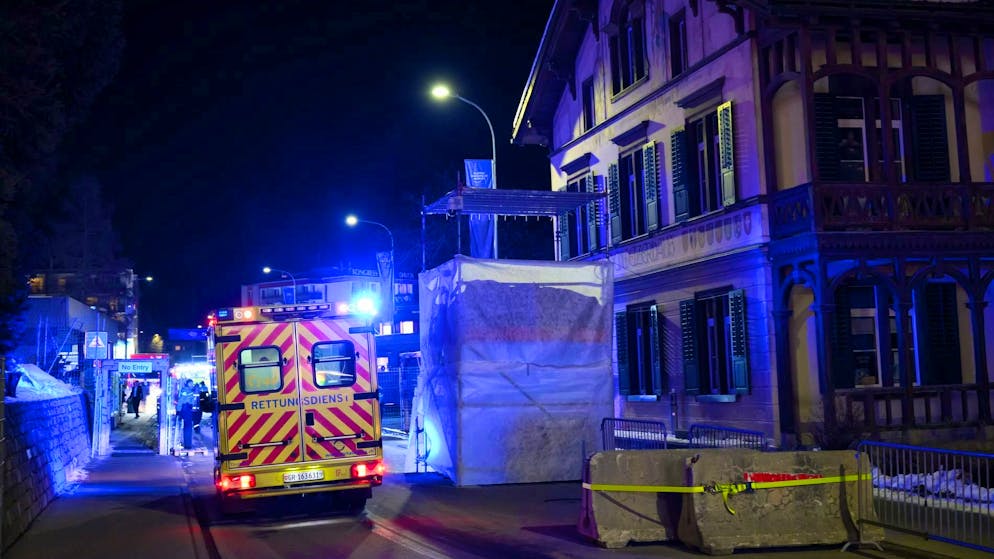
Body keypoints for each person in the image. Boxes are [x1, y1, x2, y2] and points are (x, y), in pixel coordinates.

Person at [178, 379, 197, 448]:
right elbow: (181, 400)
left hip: (188, 409)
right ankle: (188, 445)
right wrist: (179, 410)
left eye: (192, 383)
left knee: (188, 427)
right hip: (186, 409)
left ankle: (188, 444)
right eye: (191, 383)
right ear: (187, 384)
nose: (192, 385)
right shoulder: (185, 391)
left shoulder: (189, 390)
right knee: (188, 427)